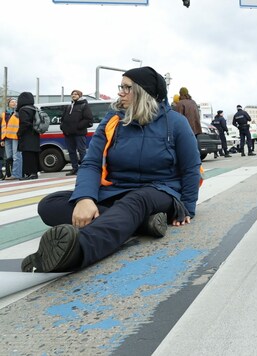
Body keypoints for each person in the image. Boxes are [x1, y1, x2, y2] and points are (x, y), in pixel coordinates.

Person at [21, 66, 201, 273]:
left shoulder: (176, 123)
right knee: (50, 205)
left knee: (137, 200)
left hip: (159, 190)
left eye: (126, 87)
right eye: (120, 86)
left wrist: (187, 208)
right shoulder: (113, 121)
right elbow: (91, 163)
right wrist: (85, 198)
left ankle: (78, 250)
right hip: (116, 191)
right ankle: (143, 223)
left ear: (144, 92)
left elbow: (191, 168)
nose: (120, 92)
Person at [60, 89, 94, 176]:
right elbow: (63, 119)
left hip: (79, 133)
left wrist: (78, 126)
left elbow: (88, 119)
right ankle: (74, 169)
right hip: (68, 134)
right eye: (72, 94)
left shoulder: (84, 105)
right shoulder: (68, 106)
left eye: (76, 94)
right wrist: (63, 127)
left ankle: (85, 169)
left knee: (82, 151)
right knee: (71, 152)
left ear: (80, 96)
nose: (73, 95)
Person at [16, 92, 40, 180]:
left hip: (27, 135)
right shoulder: (34, 108)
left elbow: (24, 123)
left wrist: (19, 133)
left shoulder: (23, 109)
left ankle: (30, 173)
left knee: (27, 154)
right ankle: (34, 173)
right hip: (35, 134)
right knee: (34, 154)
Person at [1, 98, 22, 180]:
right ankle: (10, 174)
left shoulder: (18, 112)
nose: (14, 103)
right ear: (8, 104)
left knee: (16, 156)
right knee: (9, 157)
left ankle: (16, 174)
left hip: (16, 137)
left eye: (15, 101)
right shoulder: (4, 114)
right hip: (7, 137)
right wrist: (2, 140)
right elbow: (2, 127)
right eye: (12, 102)